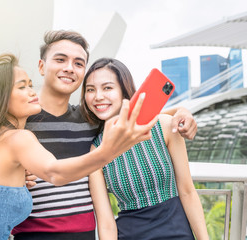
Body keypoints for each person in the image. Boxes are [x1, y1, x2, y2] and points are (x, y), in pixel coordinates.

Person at [0, 30, 198, 240]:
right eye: (60, 59)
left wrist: (181, 112)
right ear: (42, 67)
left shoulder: (90, 118)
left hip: (84, 235)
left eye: (79, 63)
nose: (70, 67)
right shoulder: (16, 119)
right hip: (30, 234)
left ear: (82, 74)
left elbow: (127, 114)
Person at [80, 58, 209, 239]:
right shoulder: (97, 149)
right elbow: (106, 222)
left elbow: (187, 191)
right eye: (90, 90)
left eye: (107, 88)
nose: (98, 96)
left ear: (124, 91)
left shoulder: (163, 126)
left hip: (177, 232)